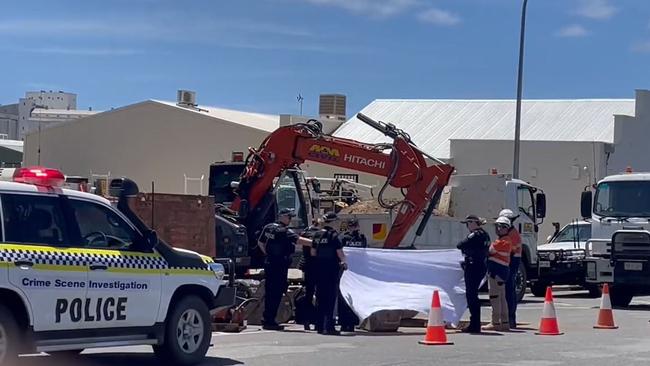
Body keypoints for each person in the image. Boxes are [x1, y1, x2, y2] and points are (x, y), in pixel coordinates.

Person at [257, 208, 312, 331]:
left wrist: (268, 254)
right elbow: (299, 240)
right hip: (279, 265)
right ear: (282, 217)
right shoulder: (284, 231)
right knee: (276, 292)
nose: (290, 220)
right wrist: (316, 242)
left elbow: (260, 242)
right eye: (289, 217)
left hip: (270, 263)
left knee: (270, 292)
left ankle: (267, 318)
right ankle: (270, 321)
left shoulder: (268, 227)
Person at [312, 212, 348, 335]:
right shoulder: (334, 236)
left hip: (318, 269)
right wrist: (344, 262)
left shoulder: (317, 234)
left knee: (320, 298)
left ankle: (320, 326)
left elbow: (313, 252)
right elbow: (340, 253)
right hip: (331, 270)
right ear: (332, 222)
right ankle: (330, 327)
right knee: (330, 299)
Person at [457, 215, 490, 333]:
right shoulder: (485, 235)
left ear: (473, 223)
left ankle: (475, 324)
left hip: (473, 267)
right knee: (473, 295)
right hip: (480, 266)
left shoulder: (475, 235)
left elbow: (460, 245)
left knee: (471, 296)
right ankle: (475, 323)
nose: (467, 226)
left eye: (468, 223)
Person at [483, 216, 513, 332]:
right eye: (497, 226)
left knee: (495, 297)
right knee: (502, 298)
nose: (498, 229)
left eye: (500, 227)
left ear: (505, 228)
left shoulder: (500, 242)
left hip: (496, 273)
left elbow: (489, 251)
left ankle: (495, 322)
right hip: (503, 272)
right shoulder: (508, 241)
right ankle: (505, 323)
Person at [337, 218, 367, 332]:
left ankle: (353, 322)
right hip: (345, 271)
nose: (354, 228)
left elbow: (364, 253)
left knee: (355, 297)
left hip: (357, 273)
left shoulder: (361, 238)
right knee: (344, 297)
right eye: (352, 225)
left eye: (355, 225)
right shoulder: (343, 238)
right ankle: (344, 322)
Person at [499, 209, 523, 329]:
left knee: (509, 290)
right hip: (512, 261)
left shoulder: (511, 235)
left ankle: (510, 318)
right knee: (509, 290)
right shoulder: (512, 233)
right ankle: (509, 318)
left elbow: (506, 249)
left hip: (511, 261)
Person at [298, 218, 321, 331]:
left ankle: (306, 321)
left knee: (308, 294)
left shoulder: (305, 232)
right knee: (318, 294)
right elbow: (313, 251)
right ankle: (317, 321)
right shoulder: (317, 234)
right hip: (315, 266)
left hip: (306, 266)